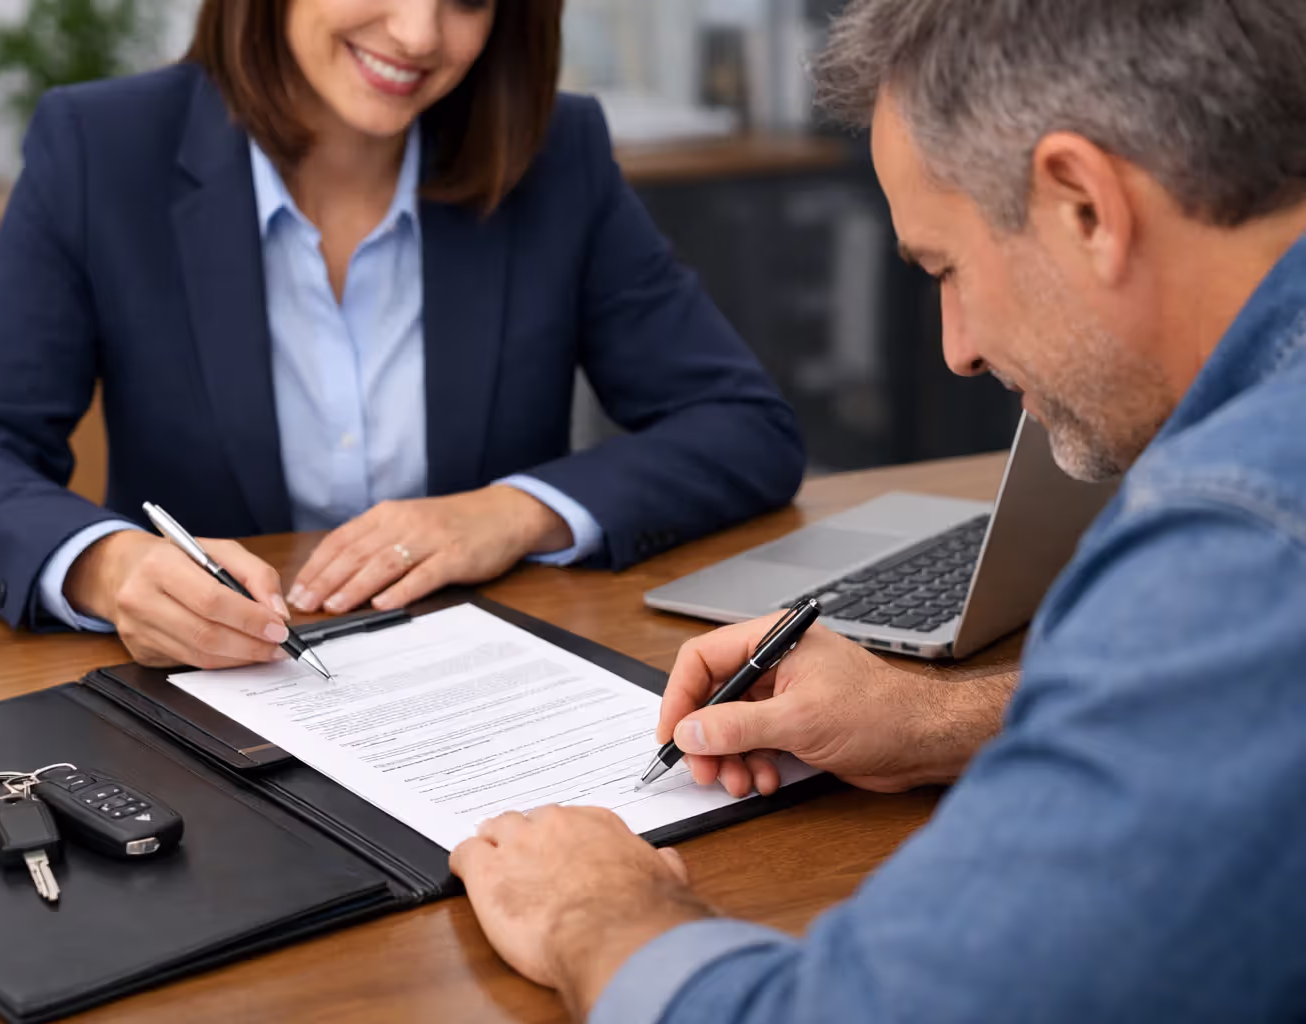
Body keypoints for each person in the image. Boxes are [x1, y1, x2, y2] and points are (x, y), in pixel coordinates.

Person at [449, 1, 1306, 1020]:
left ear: (1083, 201)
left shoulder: (1241, 541)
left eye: (945, 267)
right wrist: (941, 719)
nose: (956, 350)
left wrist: (598, 910)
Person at [0, 0, 804, 670]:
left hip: (483, 692)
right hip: (220, 703)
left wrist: (509, 510)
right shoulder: (101, 148)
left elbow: (742, 426)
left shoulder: (553, 155)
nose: (419, 34)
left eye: (468, 0)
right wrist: (112, 568)